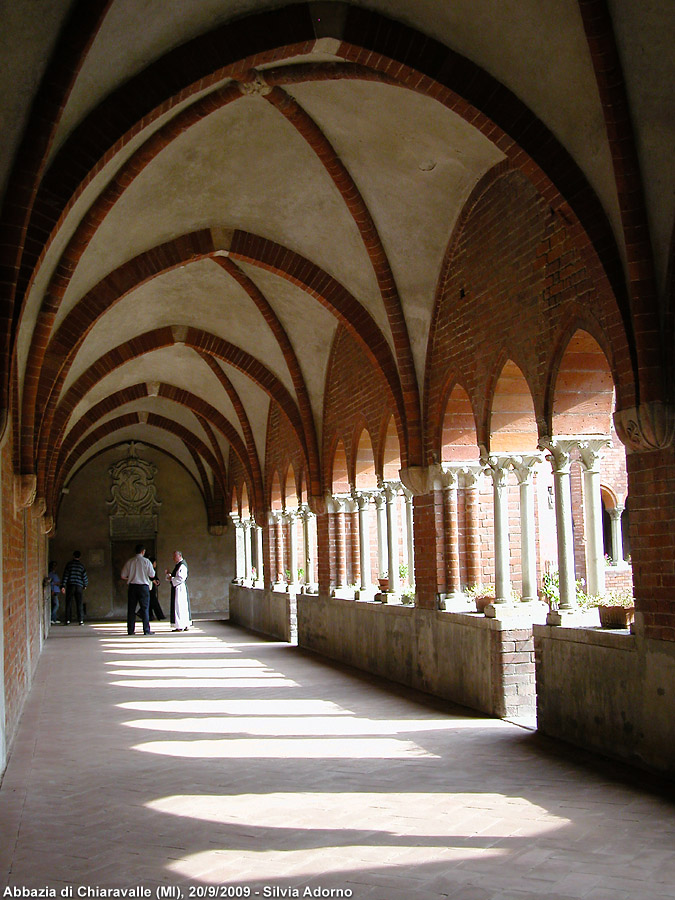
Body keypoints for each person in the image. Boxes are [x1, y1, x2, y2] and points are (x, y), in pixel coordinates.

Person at [121, 544, 156, 635]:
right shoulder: (146, 561)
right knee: (145, 608)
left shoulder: (130, 561)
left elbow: (123, 575)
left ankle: (130, 630)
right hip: (143, 587)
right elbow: (152, 574)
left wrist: (130, 578)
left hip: (132, 587)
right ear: (143, 551)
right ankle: (146, 630)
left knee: (131, 609)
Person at [166, 550, 192, 631]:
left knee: (179, 607)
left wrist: (171, 578)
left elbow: (181, 578)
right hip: (178, 587)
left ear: (179, 556)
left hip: (179, 588)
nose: (173, 558)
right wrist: (170, 576)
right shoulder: (178, 565)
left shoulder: (182, 565)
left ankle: (180, 626)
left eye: (175, 556)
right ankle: (184, 624)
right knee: (181, 606)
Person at [61, 551, 88, 625]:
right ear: (80, 557)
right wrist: (85, 585)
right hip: (79, 586)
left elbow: (66, 575)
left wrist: (63, 585)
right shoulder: (81, 566)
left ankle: (67, 620)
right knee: (79, 603)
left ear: (73, 556)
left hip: (70, 585)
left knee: (68, 602)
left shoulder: (69, 565)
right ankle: (81, 620)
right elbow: (84, 576)